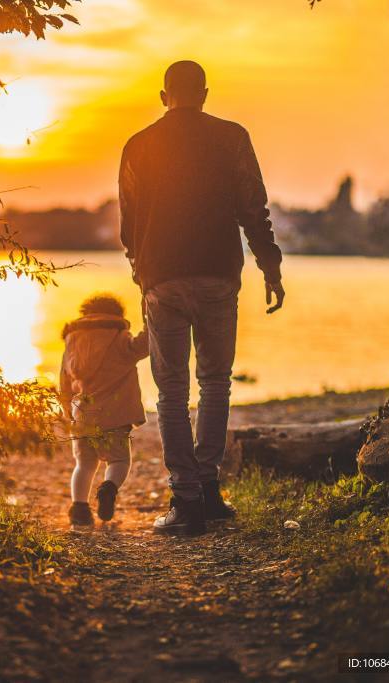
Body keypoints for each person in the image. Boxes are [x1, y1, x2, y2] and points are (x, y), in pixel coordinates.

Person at [119, 60, 286, 535]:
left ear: (163, 95)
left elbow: (129, 221)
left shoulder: (138, 144)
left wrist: (140, 271)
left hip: (162, 279)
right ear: (205, 94)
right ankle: (209, 490)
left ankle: (186, 498)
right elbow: (254, 207)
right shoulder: (232, 137)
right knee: (215, 382)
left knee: (172, 391)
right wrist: (269, 266)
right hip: (217, 273)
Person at [59, 293, 150, 527]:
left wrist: (67, 412)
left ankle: (79, 509)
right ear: (117, 316)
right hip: (115, 416)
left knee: (84, 465)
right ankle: (108, 488)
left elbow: (64, 382)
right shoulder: (120, 338)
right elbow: (146, 345)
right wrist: (150, 316)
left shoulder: (72, 341)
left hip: (82, 417)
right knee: (119, 461)